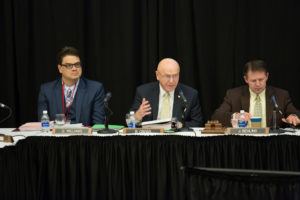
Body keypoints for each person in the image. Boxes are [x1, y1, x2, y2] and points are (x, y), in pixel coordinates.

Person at [211, 59, 300, 127]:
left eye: (261, 79)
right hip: (243, 142)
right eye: (253, 80)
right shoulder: (233, 95)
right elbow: (217, 116)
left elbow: (294, 113)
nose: (258, 84)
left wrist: (293, 116)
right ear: (246, 79)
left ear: (267, 76)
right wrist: (236, 116)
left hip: (271, 144)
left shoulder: (281, 95)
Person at [38, 46, 105, 126]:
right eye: (69, 65)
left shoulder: (95, 89)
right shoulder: (46, 90)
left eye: (77, 64)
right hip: (56, 136)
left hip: (84, 137)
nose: (74, 68)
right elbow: (43, 123)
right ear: (60, 68)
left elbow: (98, 124)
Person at [130, 58, 203, 128]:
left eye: (175, 75)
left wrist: (181, 125)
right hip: (150, 138)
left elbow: (198, 123)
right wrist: (137, 116)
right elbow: (129, 123)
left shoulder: (191, 94)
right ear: (157, 75)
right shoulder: (143, 92)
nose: (172, 81)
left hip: (177, 138)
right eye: (167, 76)